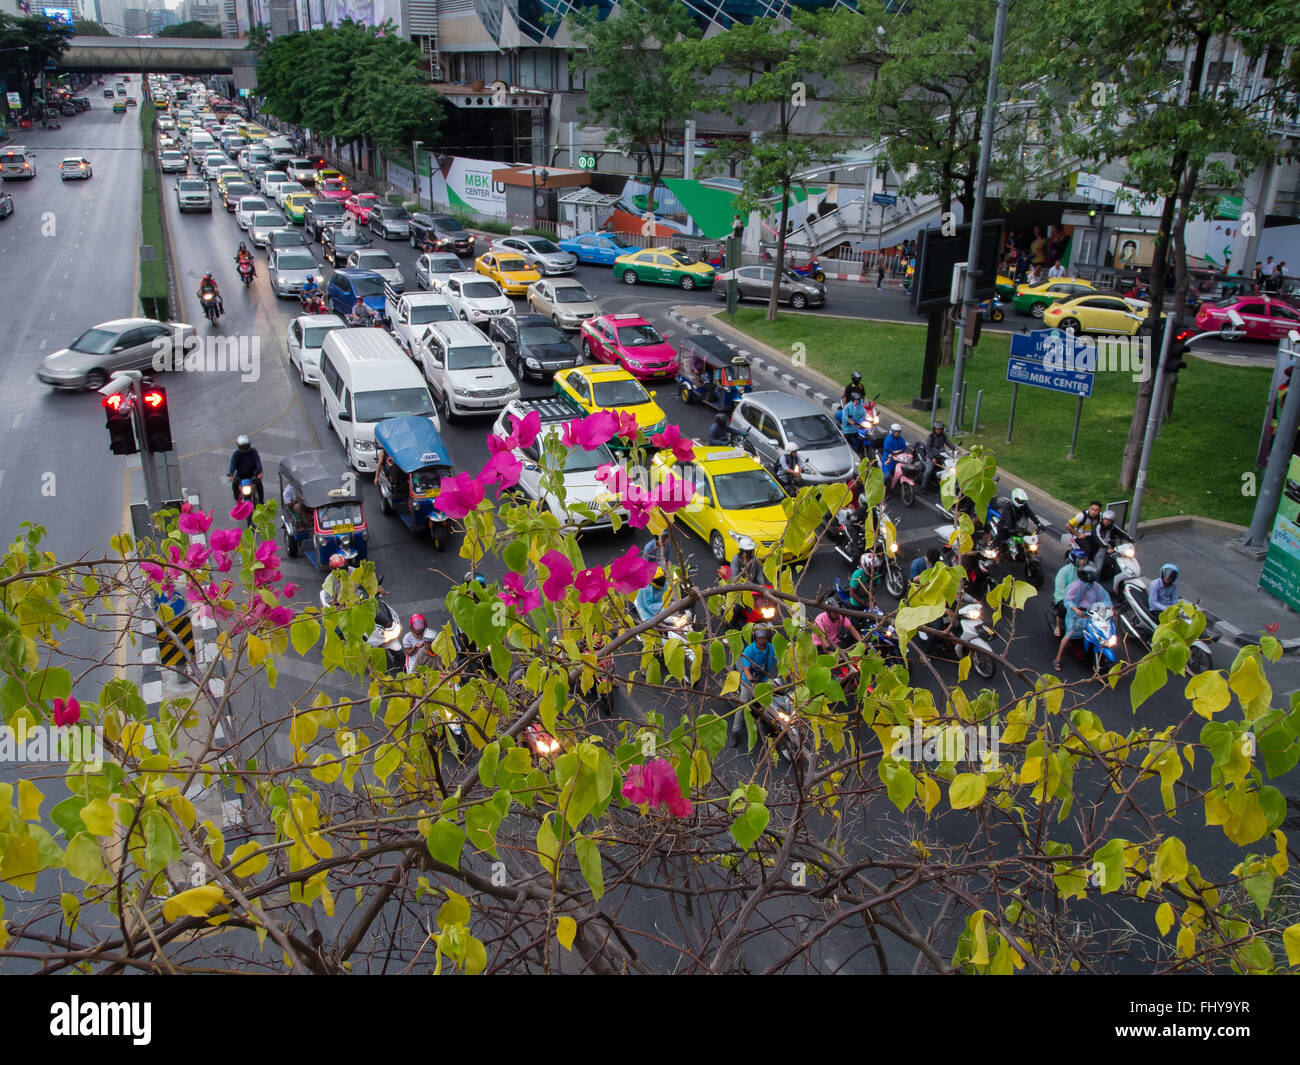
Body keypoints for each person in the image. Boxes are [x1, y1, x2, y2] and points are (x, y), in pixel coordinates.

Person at [1054, 564, 1112, 672]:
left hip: (1091, 616)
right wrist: (1076, 610)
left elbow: (1104, 597)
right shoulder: (1075, 586)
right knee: (1068, 636)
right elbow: (1068, 600)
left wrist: (1109, 607)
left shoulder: (1095, 586)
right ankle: (1057, 659)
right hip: (1075, 617)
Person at [735, 626, 778, 743]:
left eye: (764, 637)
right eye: (760, 638)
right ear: (756, 638)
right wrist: (752, 682)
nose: (762, 640)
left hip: (764, 679)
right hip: (749, 681)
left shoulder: (771, 649)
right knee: (742, 705)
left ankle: (768, 725)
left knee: (772, 702)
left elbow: (780, 661)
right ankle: (735, 731)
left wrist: (788, 669)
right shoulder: (749, 650)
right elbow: (747, 670)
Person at [1052, 548, 1089, 637]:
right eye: (1080, 560)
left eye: (1084, 559)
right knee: (1063, 607)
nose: (1083, 561)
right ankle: (1058, 626)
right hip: (1066, 597)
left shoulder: (1085, 571)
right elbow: (1060, 588)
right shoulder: (1065, 571)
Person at [227, 434, 263, 504]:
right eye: (243, 446)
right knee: (234, 484)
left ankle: (261, 501)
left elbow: (257, 462)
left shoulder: (253, 452)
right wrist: (231, 474)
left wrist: (259, 472)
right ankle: (238, 501)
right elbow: (233, 463)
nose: (244, 448)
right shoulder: (236, 454)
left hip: (252, 475)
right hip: (240, 476)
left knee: (259, 484)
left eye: (245, 446)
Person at [919, 421, 954, 488]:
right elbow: (928, 449)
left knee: (948, 467)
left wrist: (955, 448)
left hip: (941, 455)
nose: (938, 431)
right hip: (931, 456)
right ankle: (923, 486)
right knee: (928, 471)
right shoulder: (931, 437)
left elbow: (949, 443)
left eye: (940, 429)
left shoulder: (943, 436)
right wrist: (932, 458)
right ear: (934, 429)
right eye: (937, 429)